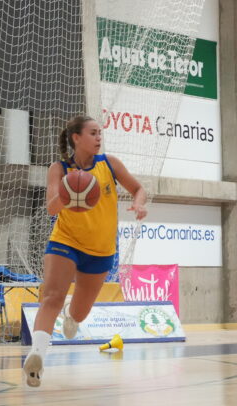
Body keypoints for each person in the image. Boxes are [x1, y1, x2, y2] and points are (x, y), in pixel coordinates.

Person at [23, 116, 147, 387]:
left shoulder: (109, 164)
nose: (99, 137)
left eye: (100, 133)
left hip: (101, 250)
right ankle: (36, 356)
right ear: (76, 137)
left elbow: (138, 189)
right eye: (93, 133)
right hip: (65, 242)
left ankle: (72, 314)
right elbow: (52, 209)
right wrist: (68, 191)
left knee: (79, 314)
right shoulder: (59, 168)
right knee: (52, 297)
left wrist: (139, 204)